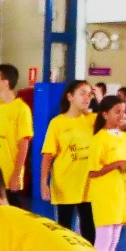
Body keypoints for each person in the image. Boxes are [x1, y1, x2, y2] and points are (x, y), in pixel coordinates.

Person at [40, 82, 97, 241]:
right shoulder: (57, 123)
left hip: (88, 184)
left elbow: (112, 119)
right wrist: (43, 182)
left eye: (89, 94)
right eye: (82, 93)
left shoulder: (93, 120)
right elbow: (48, 155)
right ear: (70, 96)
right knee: (64, 228)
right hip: (65, 184)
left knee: (89, 227)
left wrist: (100, 98)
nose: (87, 98)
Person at [86, 96, 126, 251]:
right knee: (104, 240)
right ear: (105, 114)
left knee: (114, 241)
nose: (122, 115)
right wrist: (117, 164)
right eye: (117, 112)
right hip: (106, 196)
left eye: (124, 112)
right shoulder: (99, 139)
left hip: (121, 195)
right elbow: (93, 171)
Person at [0, 63, 33, 206]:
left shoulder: (21, 109)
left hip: (8, 175)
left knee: (11, 212)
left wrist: (16, 174)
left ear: (5, 82)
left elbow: (24, 144)